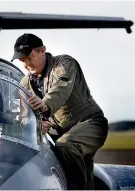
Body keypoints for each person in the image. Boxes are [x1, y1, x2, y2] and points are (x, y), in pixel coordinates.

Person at [11, 33, 109, 190]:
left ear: (42, 50)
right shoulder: (25, 84)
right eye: (22, 61)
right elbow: (25, 118)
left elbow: (61, 88)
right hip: (61, 133)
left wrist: (44, 104)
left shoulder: (63, 64)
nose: (26, 65)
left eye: (29, 58)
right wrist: (36, 125)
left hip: (90, 124)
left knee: (66, 146)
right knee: (81, 171)